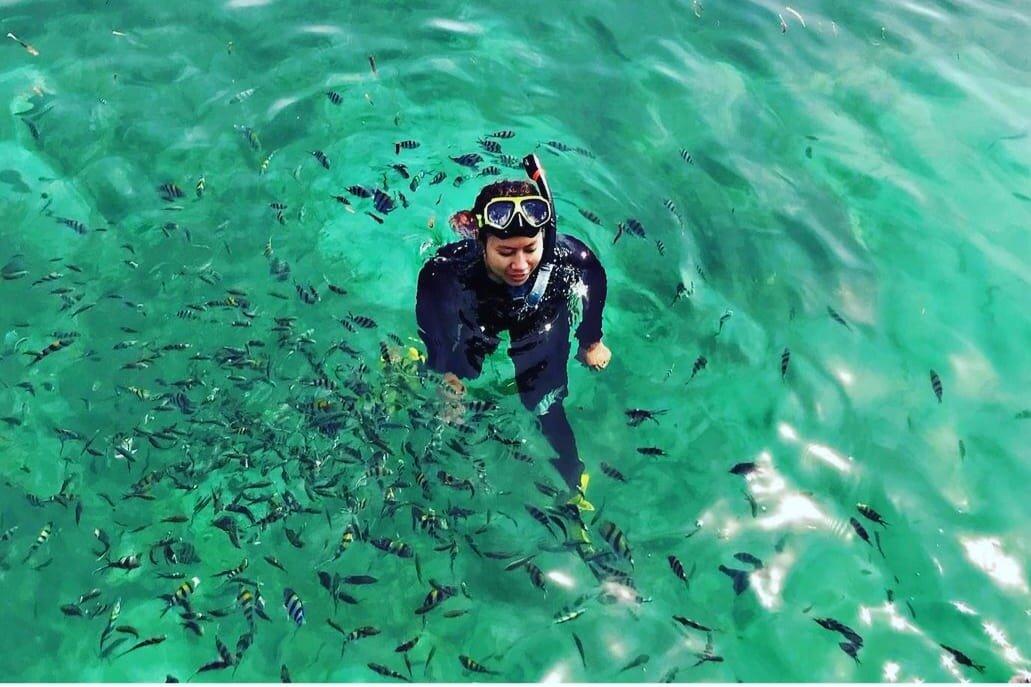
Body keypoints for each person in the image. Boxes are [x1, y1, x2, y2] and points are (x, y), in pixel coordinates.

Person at [415, 154, 611, 507]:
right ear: (480, 240)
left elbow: (594, 275)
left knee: (544, 402)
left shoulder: (564, 257)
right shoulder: (450, 268)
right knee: (460, 372)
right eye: (505, 252)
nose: (520, 265)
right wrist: (441, 365)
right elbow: (431, 305)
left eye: (530, 249)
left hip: (540, 316)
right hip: (480, 313)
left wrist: (591, 339)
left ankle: (573, 482)